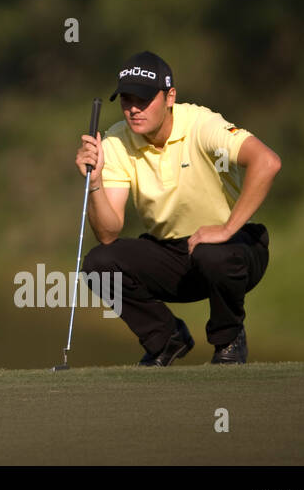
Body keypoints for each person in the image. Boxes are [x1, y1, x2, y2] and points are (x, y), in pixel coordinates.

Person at [74, 51, 281, 365]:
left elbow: (267, 162)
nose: (133, 109)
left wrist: (225, 229)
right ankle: (166, 338)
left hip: (236, 250)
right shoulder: (115, 142)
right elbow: (107, 233)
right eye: (126, 99)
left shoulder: (201, 124)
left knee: (213, 253)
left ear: (170, 96)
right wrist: (95, 181)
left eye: (143, 99)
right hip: (175, 254)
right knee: (99, 263)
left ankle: (228, 339)